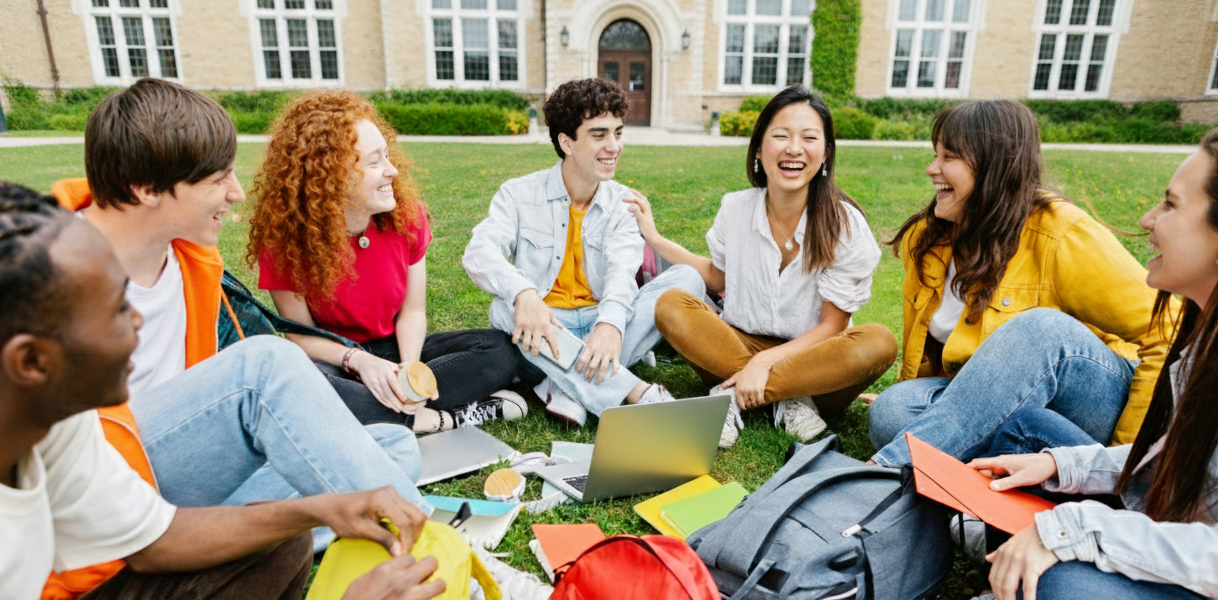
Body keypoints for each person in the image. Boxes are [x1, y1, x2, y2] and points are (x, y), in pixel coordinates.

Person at [0, 181, 445, 600]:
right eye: (114, 311)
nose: (137, 321)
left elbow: (157, 540)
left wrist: (319, 510)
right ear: (31, 360)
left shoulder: (54, 418)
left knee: (272, 541)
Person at [46, 79, 430, 600]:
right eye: (218, 178)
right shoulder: (38, 279)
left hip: (176, 481)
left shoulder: (191, 260)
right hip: (101, 499)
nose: (237, 192)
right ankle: (443, 558)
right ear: (146, 189)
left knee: (391, 450)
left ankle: (207, 552)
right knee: (264, 367)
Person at [914, 128, 1218, 600]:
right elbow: (1175, 459)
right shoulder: (1206, 339)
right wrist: (1062, 466)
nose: (1147, 220)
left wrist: (1070, 528)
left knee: (1052, 590)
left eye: (1170, 204)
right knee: (1025, 433)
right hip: (1164, 536)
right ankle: (1016, 568)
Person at [867, 99, 1172, 468]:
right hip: (1014, 400)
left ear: (994, 166)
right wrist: (935, 414)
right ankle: (1019, 459)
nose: (932, 168)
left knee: (1040, 329)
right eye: (936, 154)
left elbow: (1171, 331)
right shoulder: (928, 237)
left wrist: (1124, 460)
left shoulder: (1061, 233)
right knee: (893, 411)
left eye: (949, 157)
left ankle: (879, 473)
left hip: (1096, 402)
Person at [630, 85, 897, 447]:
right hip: (736, 343)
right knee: (670, 304)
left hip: (814, 359)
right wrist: (656, 239)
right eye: (781, 135)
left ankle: (733, 392)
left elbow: (833, 325)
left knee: (878, 342)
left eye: (809, 138)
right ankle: (786, 400)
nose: (794, 148)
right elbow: (718, 278)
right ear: (758, 148)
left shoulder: (845, 224)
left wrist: (765, 363)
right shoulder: (735, 208)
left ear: (826, 153)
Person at [247, 90, 526, 434]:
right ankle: (440, 418)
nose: (392, 171)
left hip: (394, 349)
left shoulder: (406, 219)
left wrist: (409, 372)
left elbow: (413, 312)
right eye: (374, 162)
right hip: (336, 360)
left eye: (387, 155)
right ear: (329, 175)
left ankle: (381, 411)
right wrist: (360, 362)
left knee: (500, 349)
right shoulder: (286, 242)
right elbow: (301, 338)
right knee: (303, 385)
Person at [462, 77, 706, 426]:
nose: (614, 146)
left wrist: (609, 324)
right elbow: (478, 252)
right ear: (566, 142)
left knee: (687, 279)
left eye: (618, 133)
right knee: (504, 308)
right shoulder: (518, 194)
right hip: (546, 323)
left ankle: (564, 385)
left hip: (599, 320)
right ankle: (638, 392)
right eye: (599, 135)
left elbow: (622, 274)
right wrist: (524, 293)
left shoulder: (623, 203)